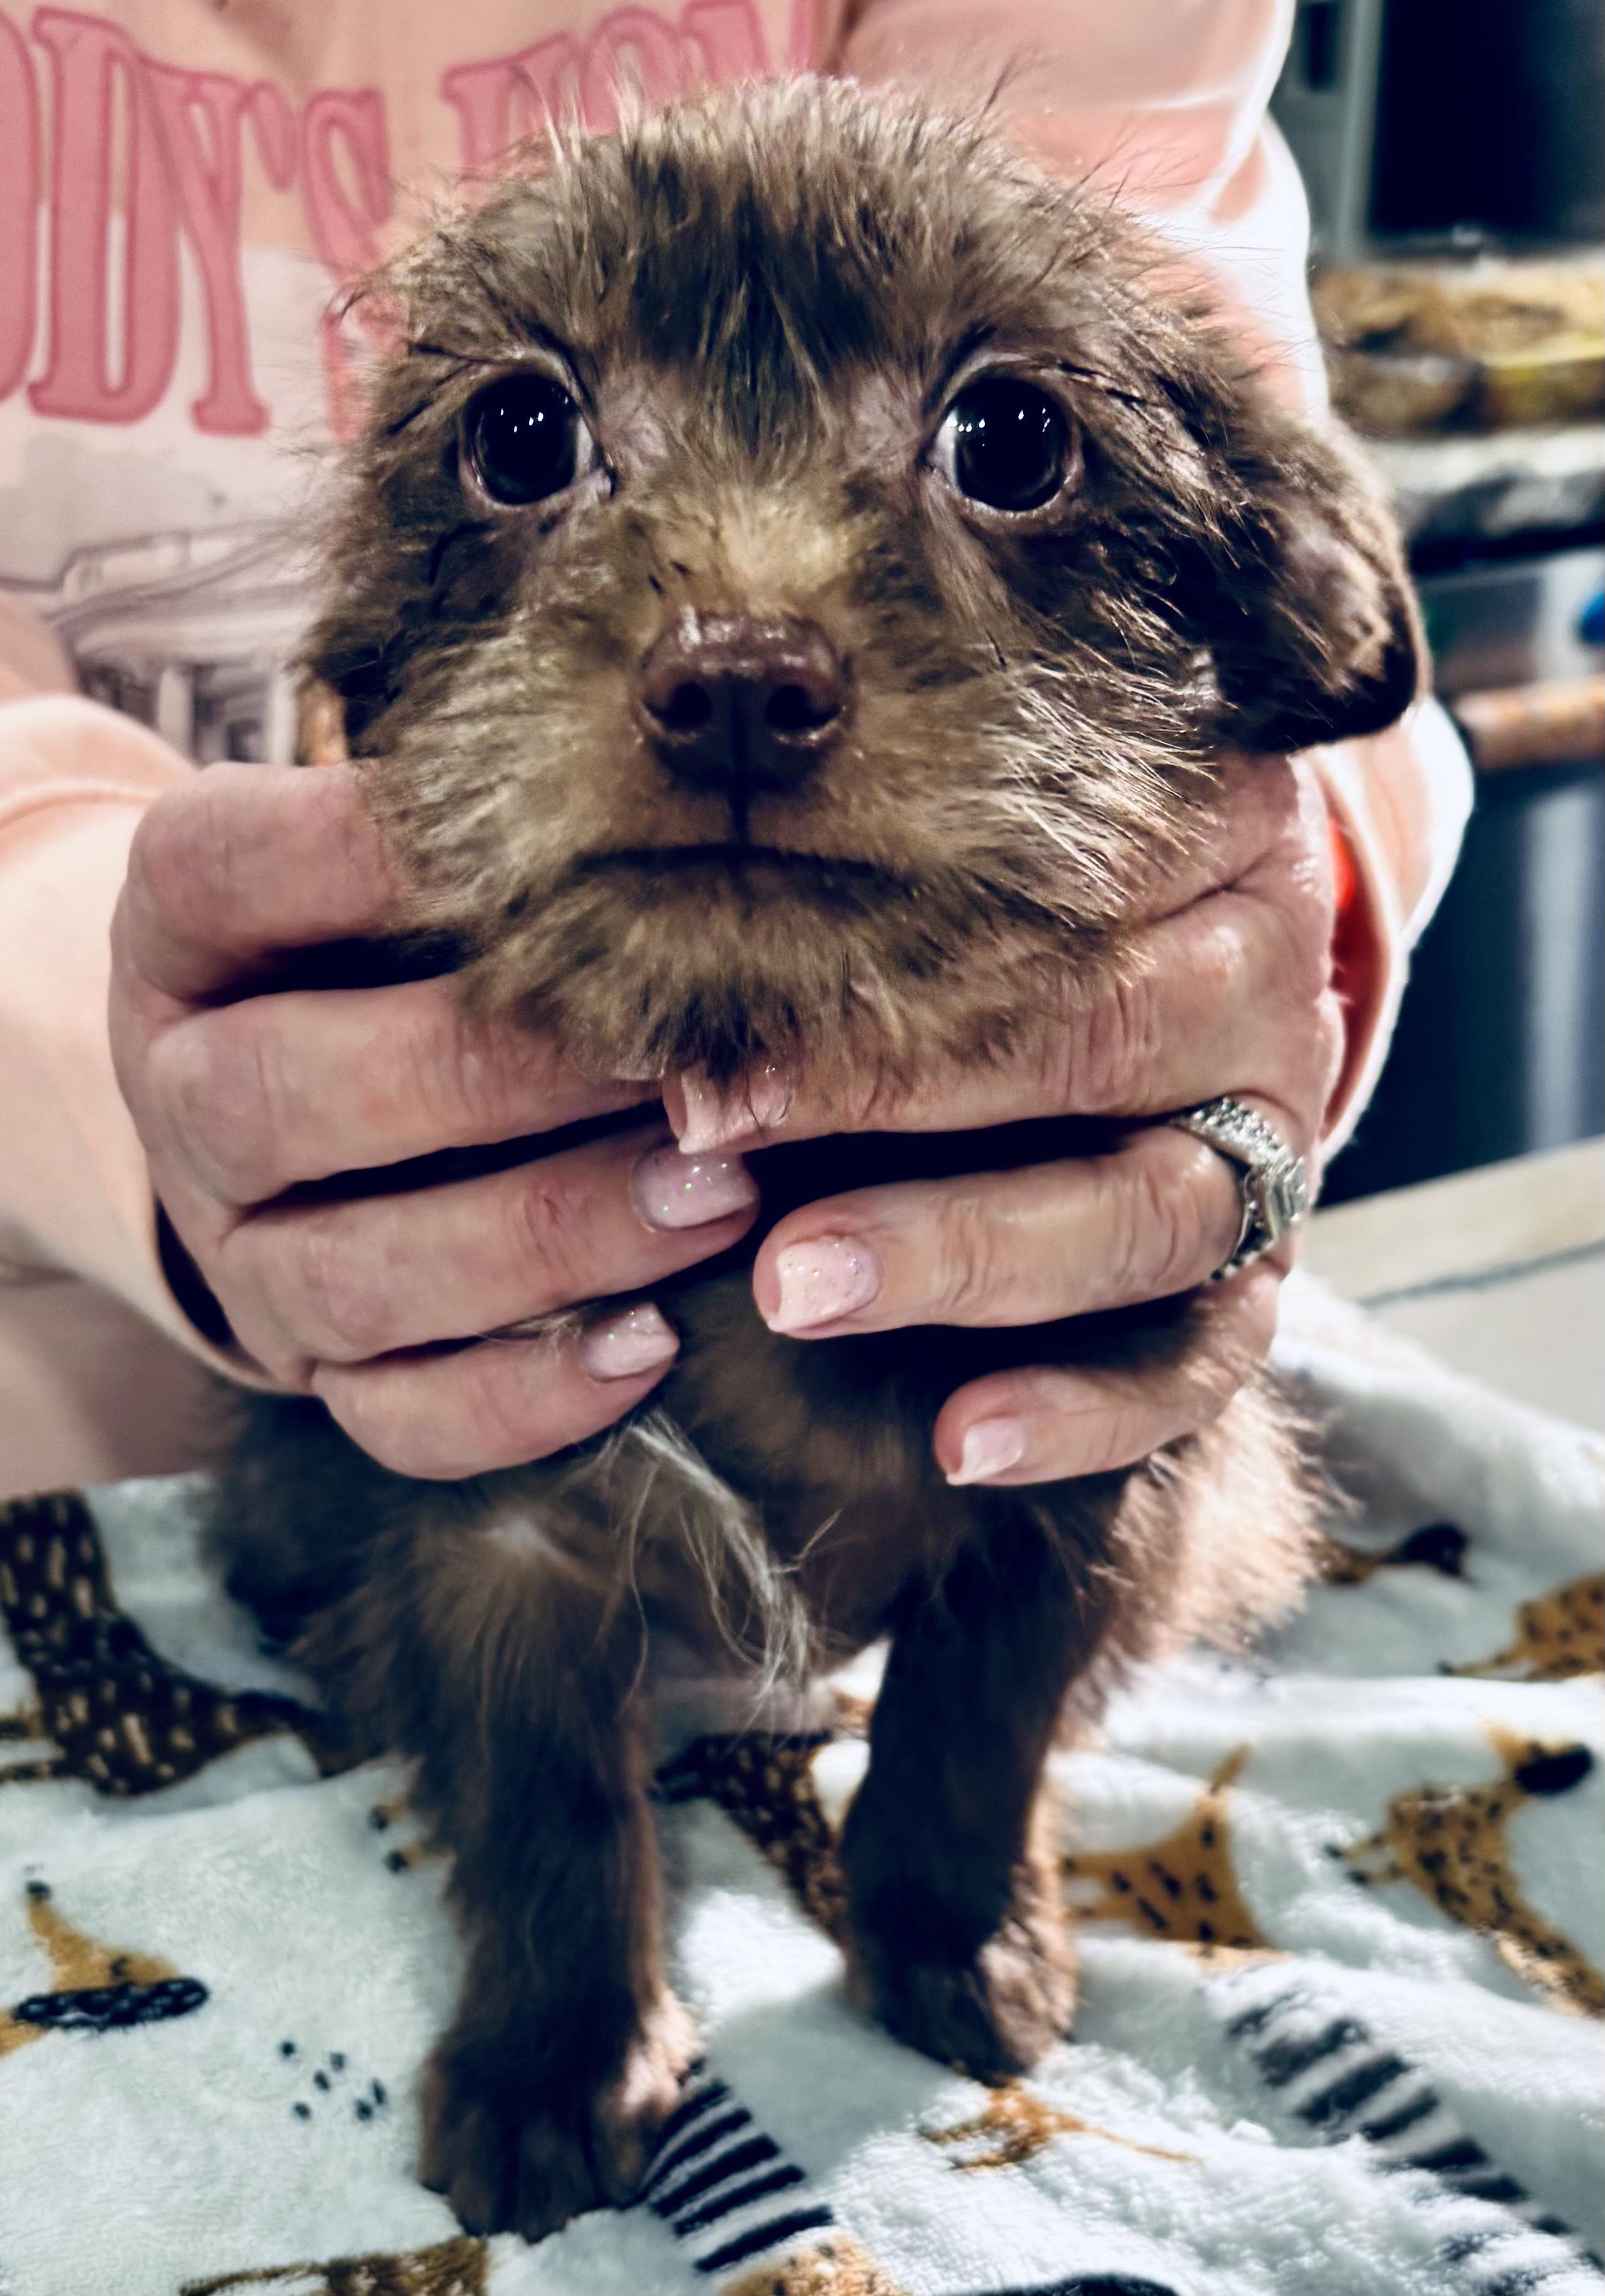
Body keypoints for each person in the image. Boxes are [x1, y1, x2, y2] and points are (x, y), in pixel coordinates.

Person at [0, 0, 1470, 1503]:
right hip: (66, 1375)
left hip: (995, 1345)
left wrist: (1266, 933)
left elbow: (1203, 493)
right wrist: (144, 1035)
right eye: (529, 443)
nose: (742, 640)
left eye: (1001, 443)